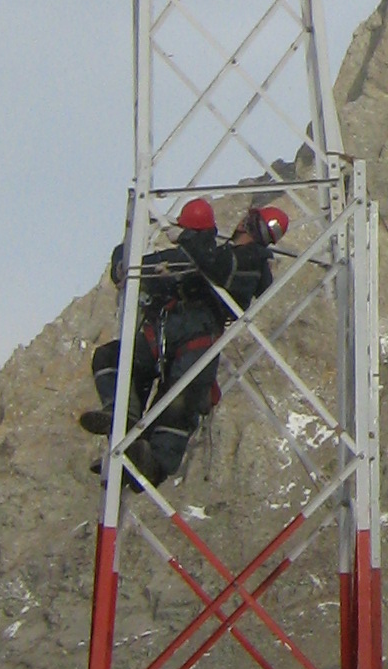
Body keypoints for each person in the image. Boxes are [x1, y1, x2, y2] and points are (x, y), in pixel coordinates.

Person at [80, 197, 286, 486]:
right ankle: (126, 428)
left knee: (175, 402)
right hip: (175, 336)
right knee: (147, 383)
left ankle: (140, 448)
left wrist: (127, 262)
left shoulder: (244, 263)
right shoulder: (209, 259)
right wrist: (122, 263)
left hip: (192, 339)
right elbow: (142, 269)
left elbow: (208, 264)